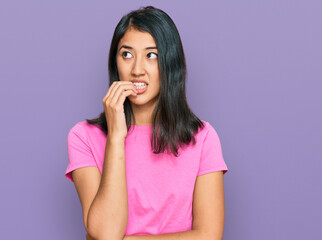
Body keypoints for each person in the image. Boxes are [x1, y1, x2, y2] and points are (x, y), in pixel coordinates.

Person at [65, 5, 229, 240]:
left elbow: (209, 236)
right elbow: (105, 232)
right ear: (115, 63)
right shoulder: (83, 137)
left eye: (151, 55)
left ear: (169, 64)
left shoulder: (202, 137)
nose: (137, 70)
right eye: (127, 54)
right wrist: (116, 137)